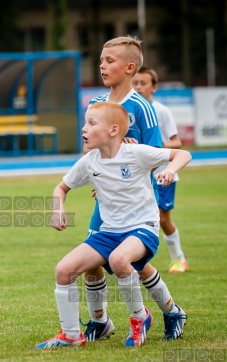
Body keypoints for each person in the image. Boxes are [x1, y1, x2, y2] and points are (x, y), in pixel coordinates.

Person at [35, 101, 192, 349]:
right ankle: (71, 335)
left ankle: (140, 319)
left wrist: (170, 170)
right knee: (63, 270)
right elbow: (61, 187)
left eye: (91, 123)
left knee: (120, 260)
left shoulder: (135, 152)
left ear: (113, 130)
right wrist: (58, 208)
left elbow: (183, 153)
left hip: (143, 227)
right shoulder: (89, 161)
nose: (84, 129)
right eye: (84, 122)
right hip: (109, 232)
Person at [81, 36, 187, 343]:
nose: (102, 66)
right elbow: (90, 149)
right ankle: (100, 321)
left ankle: (170, 310)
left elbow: (154, 154)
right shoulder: (96, 104)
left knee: (132, 263)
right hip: (106, 201)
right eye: (101, 60)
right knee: (93, 261)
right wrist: (96, 177)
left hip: (135, 203)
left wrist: (130, 153)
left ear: (129, 68)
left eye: (109, 61)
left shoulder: (142, 107)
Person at [133, 66, 188, 273]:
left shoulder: (161, 111)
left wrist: (154, 149)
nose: (138, 87)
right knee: (136, 219)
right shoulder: (128, 109)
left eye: (143, 83)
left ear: (154, 87)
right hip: (137, 175)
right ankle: (137, 265)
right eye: (135, 83)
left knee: (163, 219)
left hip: (162, 174)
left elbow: (177, 142)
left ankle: (178, 259)